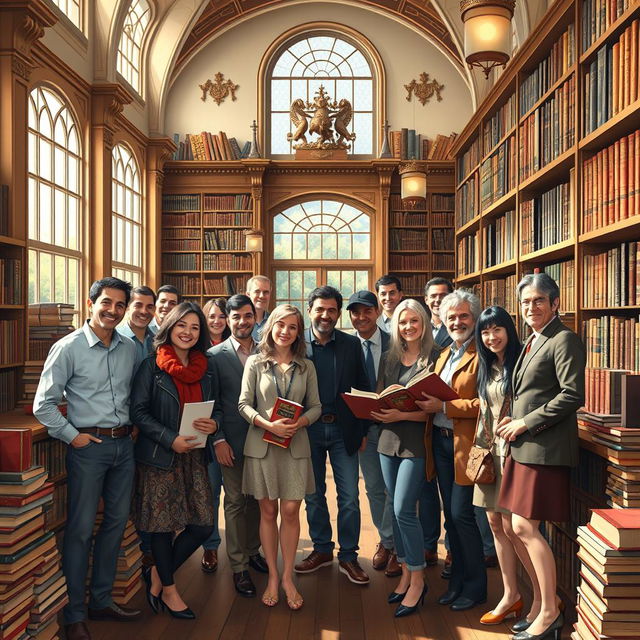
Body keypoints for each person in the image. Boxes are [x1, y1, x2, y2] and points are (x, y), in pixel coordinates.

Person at [33, 277, 141, 640]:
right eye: (106, 303)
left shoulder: (129, 348)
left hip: (125, 447)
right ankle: (75, 614)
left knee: (115, 524)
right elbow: (43, 405)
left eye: (120, 305)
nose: (113, 310)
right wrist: (73, 436)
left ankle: (101, 600)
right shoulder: (68, 347)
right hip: (88, 448)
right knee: (79, 532)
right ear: (90, 302)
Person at [496, 274, 585, 640]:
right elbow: (529, 391)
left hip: (543, 448)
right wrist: (512, 419)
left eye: (538, 301)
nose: (530, 308)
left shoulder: (563, 339)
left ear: (555, 303)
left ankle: (549, 611)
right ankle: (539, 605)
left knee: (523, 527)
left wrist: (525, 423)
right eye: (525, 302)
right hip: (524, 445)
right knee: (509, 526)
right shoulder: (534, 340)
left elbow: (572, 394)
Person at [131, 302, 218, 620]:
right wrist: (170, 438)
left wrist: (215, 424)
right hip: (159, 456)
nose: (188, 332)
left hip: (194, 455)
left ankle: (155, 576)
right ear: (169, 326)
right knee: (161, 527)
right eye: (182, 325)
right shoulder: (150, 366)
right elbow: (138, 412)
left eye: (195, 327)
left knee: (203, 524)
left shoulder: (206, 366)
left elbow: (217, 407)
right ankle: (169, 589)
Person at [238, 304, 322, 610]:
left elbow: (316, 406)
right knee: (268, 511)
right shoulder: (255, 363)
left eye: (293, 327)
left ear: (299, 332)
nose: (286, 331)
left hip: (295, 446)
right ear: (271, 326)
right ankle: (273, 576)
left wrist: (301, 423)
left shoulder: (306, 366)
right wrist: (266, 423)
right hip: (262, 445)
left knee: (290, 510)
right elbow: (243, 404)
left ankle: (289, 577)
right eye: (281, 325)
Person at [295, 285, 371, 585]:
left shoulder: (351, 345)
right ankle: (322, 549)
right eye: (320, 309)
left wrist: (363, 429)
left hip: (344, 430)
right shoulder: (296, 344)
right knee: (313, 496)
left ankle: (349, 556)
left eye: (331, 310)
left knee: (350, 497)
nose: (325, 315)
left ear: (338, 313)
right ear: (309, 310)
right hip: (308, 430)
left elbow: (364, 388)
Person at [417, 289, 487, 612]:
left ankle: (475, 587)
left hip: (470, 445)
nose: (457, 321)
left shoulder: (482, 353)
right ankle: (457, 581)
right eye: (451, 317)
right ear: (442, 320)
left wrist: (444, 404)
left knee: (463, 515)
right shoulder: (445, 353)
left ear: (474, 318)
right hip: (441, 443)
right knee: (452, 517)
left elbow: (486, 404)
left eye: (464, 316)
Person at [472, 306, 541, 627]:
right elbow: (484, 412)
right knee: (496, 525)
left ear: (509, 330)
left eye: (497, 329)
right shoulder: (487, 366)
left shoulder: (522, 362)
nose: (491, 337)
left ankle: (542, 597)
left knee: (519, 529)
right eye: (485, 332)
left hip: (516, 454)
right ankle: (511, 594)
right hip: (488, 454)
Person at [371, 299, 436, 618]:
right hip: (387, 441)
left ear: (423, 322)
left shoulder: (436, 357)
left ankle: (419, 579)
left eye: (414, 320)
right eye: (402, 322)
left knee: (404, 510)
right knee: (393, 511)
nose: (408, 326)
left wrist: (401, 413)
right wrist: (379, 408)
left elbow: (434, 410)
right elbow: (382, 397)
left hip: (417, 443)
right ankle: (408, 573)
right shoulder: (389, 358)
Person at [207, 294, 268, 596]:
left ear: (255, 317)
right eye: (236, 317)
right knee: (234, 502)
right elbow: (212, 403)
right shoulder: (213, 355)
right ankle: (238, 566)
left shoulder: (268, 351)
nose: (242, 322)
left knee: (258, 500)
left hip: (265, 440)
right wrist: (217, 439)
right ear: (226, 320)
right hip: (229, 440)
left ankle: (253, 550)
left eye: (247, 316)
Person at [346, 290, 400, 577]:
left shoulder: (396, 342)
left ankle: (392, 544)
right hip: (365, 430)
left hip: (397, 426)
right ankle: (387, 541)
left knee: (396, 489)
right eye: (355, 312)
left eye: (367, 310)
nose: (361, 317)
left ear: (378, 312)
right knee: (374, 488)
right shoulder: (345, 345)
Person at [198, 297, 229, 573]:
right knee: (210, 492)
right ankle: (210, 546)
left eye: (222, 316)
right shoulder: (198, 351)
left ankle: (245, 547)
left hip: (234, 429)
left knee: (241, 496)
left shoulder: (236, 349)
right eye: (212, 316)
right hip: (205, 432)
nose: (217, 321)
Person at [117, 285, 157, 367]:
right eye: (138, 305)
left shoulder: (158, 340)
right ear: (127, 307)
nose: (144, 311)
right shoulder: (115, 338)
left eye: (149, 307)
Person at [246, 275, 272, 341]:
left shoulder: (274, 321)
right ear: (248, 295)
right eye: (257, 292)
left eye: (266, 292)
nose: (261, 296)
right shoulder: (240, 322)